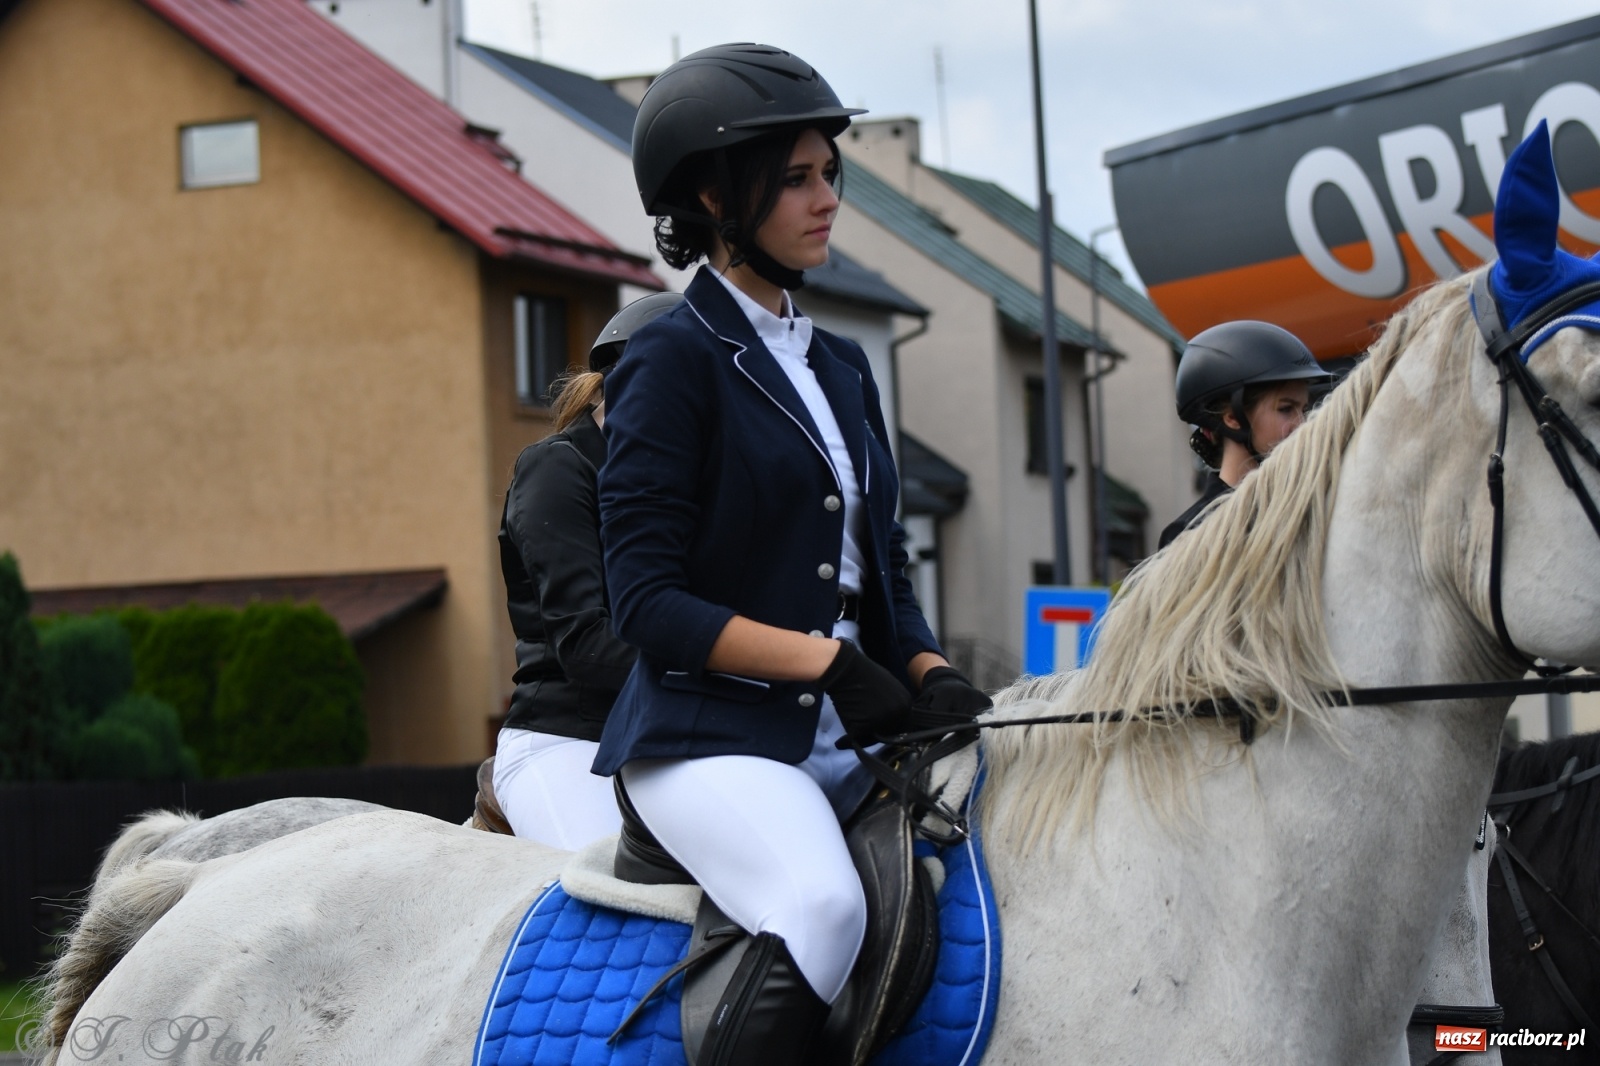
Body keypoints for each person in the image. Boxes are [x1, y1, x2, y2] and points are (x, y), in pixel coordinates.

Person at [594, 43, 991, 1064]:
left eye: (831, 175)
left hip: (848, 727)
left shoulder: (844, 366)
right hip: (706, 738)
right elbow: (645, 601)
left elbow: (884, 569)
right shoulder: (669, 359)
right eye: (798, 180)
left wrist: (930, 671)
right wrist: (824, 663)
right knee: (819, 906)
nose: (827, 201)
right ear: (718, 197)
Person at [492, 292, 683, 850]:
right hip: (568, 742)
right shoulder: (558, 468)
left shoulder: (678, 485)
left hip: (667, 739)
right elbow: (586, 642)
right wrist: (731, 671)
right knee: (607, 884)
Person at [1158, 320, 1332, 549]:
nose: (1301, 425)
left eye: (1304, 409)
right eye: (1286, 409)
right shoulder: (1190, 536)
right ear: (1233, 417)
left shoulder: (1315, 510)